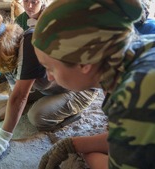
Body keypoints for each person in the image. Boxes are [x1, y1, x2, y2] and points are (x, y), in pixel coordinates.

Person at [32, 0, 155, 169]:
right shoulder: (137, 49)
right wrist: (73, 144)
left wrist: (88, 154)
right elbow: (128, 137)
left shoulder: (135, 93)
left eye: (50, 67)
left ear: (84, 63)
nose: (49, 77)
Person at [0, 12, 98, 162]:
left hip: (79, 88)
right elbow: (16, 94)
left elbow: (20, 96)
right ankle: (50, 101)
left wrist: (3, 137)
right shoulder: (9, 53)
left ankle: (70, 113)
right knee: (20, 101)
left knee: (37, 116)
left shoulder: (29, 43)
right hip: (51, 86)